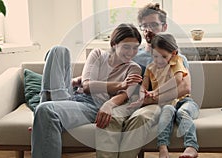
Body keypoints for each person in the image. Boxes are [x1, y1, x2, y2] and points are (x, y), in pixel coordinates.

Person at [96, 3, 195, 158]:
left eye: (154, 25)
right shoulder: (132, 54)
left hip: (155, 103)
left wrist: (151, 99)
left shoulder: (176, 57)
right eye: (144, 26)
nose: (149, 29)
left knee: (141, 117)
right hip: (131, 100)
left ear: (164, 26)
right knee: (112, 117)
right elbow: (114, 74)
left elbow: (184, 88)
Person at [31, 23, 143, 158]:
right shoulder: (98, 54)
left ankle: (42, 113)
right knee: (58, 51)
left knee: (45, 110)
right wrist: (120, 84)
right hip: (71, 95)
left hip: (91, 106)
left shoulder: (134, 69)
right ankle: (42, 113)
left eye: (135, 48)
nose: (131, 52)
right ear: (114, 44)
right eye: (126, 47)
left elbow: (123, 96)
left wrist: (108, 104)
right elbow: (87, 86)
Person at [130, 33, 200, 158]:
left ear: (173, 54)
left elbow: (177, 80)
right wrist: (143, 96)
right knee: (166, 111)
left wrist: (155, 92)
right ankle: (162, 148)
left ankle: (191, 147)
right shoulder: (150, 68)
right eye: (155, 56)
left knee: (182, 112)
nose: (159, 60)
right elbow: (144, 86)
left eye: (163, 56)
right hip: (166, 104)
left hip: (184, 102)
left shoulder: (177, 62)